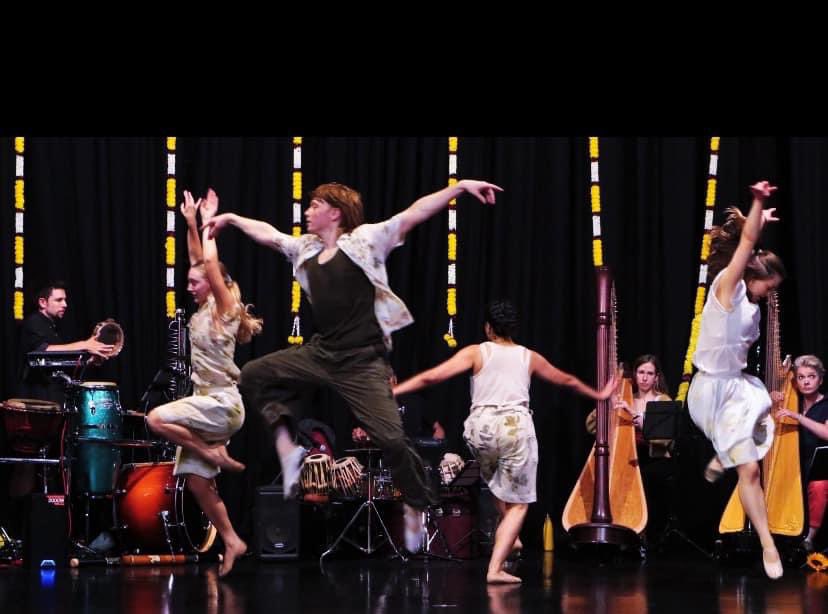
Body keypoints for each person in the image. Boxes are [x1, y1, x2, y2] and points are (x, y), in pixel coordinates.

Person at [204, 179, 502, 552]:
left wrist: (459, 188)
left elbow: (414, 213)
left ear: (335, 213)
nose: (308, 212)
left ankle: (416, 501)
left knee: (391, 439)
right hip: (322, 353)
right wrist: (230, 218)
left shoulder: (365, 241)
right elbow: (269, 235)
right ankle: (287, 444)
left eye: (315, 206)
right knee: (253, 375)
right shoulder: (306, 249)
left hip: (363, 362)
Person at [392, 299, 616, 583]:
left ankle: (513, 537)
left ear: (488, 328)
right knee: (520, 505)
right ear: (513, 329)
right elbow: (567, 381)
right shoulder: (528, 356)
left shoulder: (477, 352)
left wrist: (397, 389)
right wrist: (598, 395)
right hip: (514, 429)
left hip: (480, 430)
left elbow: (432, 377)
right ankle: (496, 568)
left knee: (497, 481)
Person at [147, 189, 263, 577]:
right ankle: (232, 539)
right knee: (197, 483)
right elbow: (198, 259)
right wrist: (191, 223)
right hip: (207, 404)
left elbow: (207, 263)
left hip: (224, 405)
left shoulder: (226, 310)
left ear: (214, 284)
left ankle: (213, 454)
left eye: (194, 283)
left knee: (156, 419)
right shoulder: (201, 312)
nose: (189, 286)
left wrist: (212, 220)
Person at [687, 180, 786, 580]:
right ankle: (768, 545)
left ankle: (723, 459)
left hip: (737, 386)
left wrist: (759, 218)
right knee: (750, 468)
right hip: (711, 391)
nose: (768, 295)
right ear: (752, 275)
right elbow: (747, 243)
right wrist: (758, 203)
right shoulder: (727, 289)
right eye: (769, 288)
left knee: (754, 457)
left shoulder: (754, 307)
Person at [776, 355, 828, 552]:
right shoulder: (792, 402)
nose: (806, 381)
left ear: (820, 380)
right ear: (795, 382)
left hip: (819, 468)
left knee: (820, 486)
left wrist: (797, 417)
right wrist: (772, 400)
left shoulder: (825, 404)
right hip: (794, 464)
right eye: (801, 377)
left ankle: (809, 538)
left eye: (811, 376)